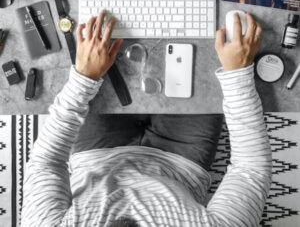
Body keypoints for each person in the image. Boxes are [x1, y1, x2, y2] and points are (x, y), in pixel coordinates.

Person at [21, 11, 272, 227]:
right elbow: (250, 171)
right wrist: (239, 73)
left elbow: (47, 162)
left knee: (95, 36)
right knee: (204, 54)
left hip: (95, 155)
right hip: (181, 161)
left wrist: (83, 79)